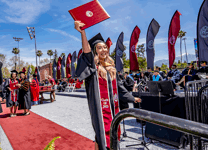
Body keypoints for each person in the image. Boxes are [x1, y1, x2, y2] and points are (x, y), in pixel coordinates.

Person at [74, 21, 141, 150]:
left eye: (105, 47)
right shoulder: (93, 69)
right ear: (95, 51)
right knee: (102, 136)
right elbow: (87, 54)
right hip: (100, 109)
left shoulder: (111, 69)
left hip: (114, 109)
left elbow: (120, 88)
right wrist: (83, 33)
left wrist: (132, 98)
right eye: (99, 48)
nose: (104, 49)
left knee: (114, 133)